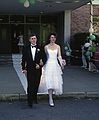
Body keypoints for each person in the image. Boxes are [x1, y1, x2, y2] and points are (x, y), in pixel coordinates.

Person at [39, 33, 66, 107]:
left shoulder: (58, 47)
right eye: (52, 37)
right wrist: (42, 62)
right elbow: (44, 57)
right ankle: (50, 98)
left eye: (54, 37)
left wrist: (62, 64)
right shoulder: (46, 47)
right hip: (48, 65)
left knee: (55, 81)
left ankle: (52, 96)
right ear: (49, 38)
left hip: (55, 65)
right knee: (49, 81)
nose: (53, 39)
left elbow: (59, 56)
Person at [21, 34, 43, 108]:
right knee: (30, 85)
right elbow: (23, 59)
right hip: (29, 69)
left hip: (37, 69)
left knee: (36, 84)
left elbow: (43, 58)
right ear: (29, 40)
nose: (34, 40)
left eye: (35, 38)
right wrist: (23, 68)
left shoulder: (40, 48)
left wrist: (40, 64)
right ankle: (29, 101)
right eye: (32, 38)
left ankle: (34, 98)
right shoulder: (25, 48)